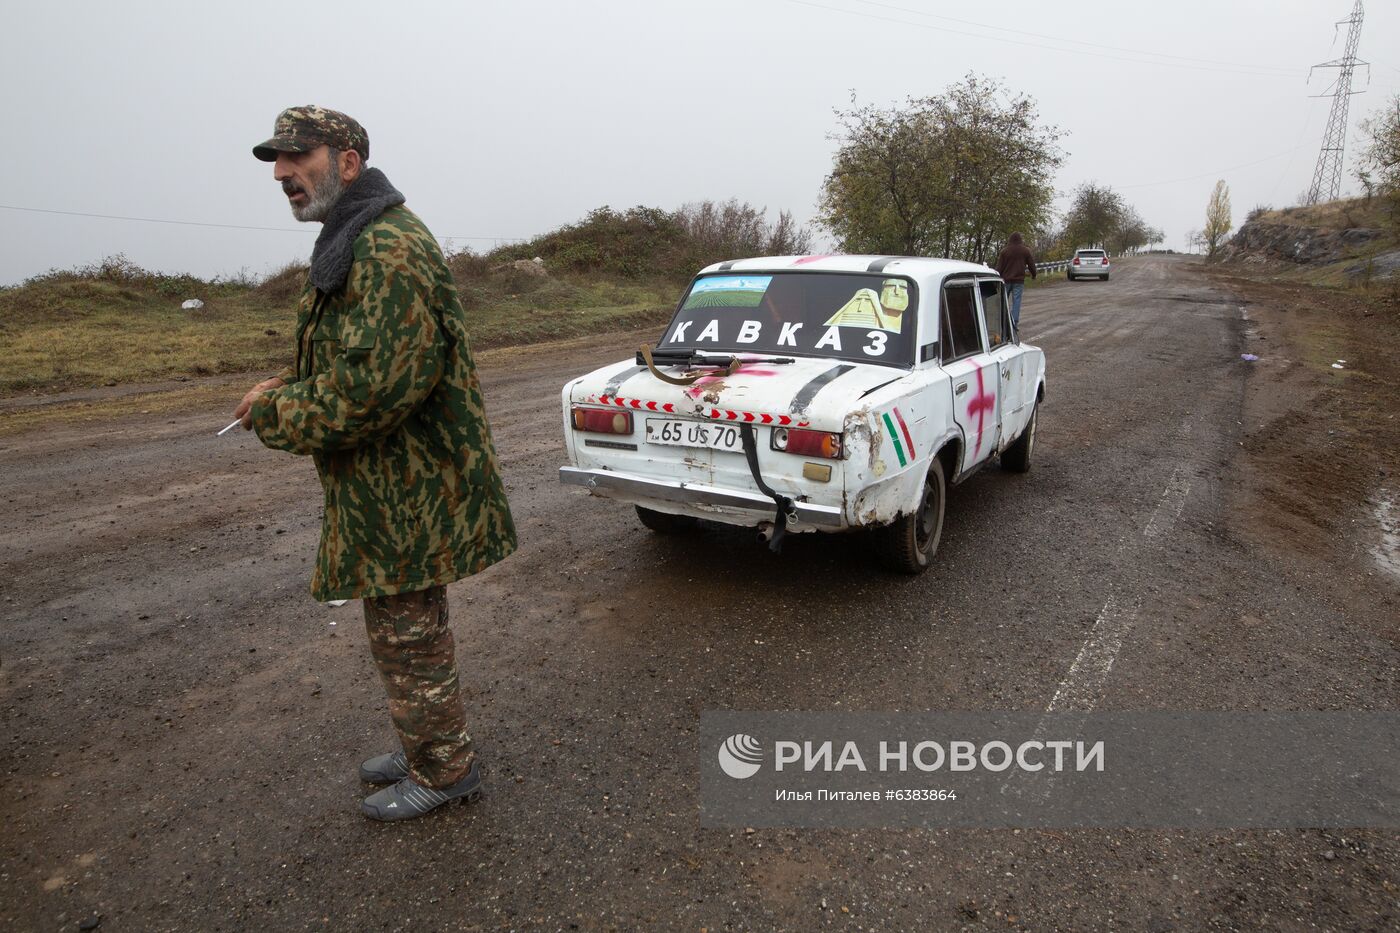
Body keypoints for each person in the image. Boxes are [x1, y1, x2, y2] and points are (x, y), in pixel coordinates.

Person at [232, 106, 517, 821]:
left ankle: (445, 767)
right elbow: (351, 355)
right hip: (388, 482)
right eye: (278, 160)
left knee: (407, 628)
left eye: (297, 157)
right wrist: (288, 384)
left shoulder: (387, 247)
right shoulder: (358, 235)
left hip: (412, 485)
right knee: (401, 622)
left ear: (348, 162)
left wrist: (274, 415)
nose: (281, 173)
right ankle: (427, 741)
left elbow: (371, 390)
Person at [994, 232, 1037, 329]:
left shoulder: (1005, 251)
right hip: (1018, 281)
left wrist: (995, 277)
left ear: (1010, 240)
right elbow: (1031, 265)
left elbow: (999, 268)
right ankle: (1014, 323)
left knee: (1003, 301)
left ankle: (1003, 324)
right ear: (1020, 240)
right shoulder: (1025, 251)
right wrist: (1034, 275)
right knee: (1016, 302)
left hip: (1005, 281)